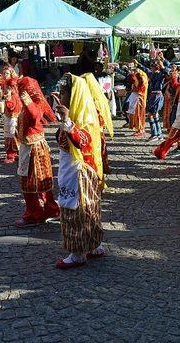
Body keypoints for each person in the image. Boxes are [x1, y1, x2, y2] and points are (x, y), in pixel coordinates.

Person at [53, 74, 105, 269]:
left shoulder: (85, 117)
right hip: (71, 169)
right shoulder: (75, 114)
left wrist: (67, 122)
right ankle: (94, 245)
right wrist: (63, 118)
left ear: (75, 95)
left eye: (65, 92)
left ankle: (78, 253)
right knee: (86, 208)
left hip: (79, 172)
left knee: (77, 210)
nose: (62, 95)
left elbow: (83, 141)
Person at [15, 77, 60, 228]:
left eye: (22, 89)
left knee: (33, 182)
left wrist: (26, 100)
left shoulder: (36, 102)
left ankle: (36, 214)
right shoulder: (26, 103)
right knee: (35, 181)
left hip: (34, 147)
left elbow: (35, 117)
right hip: (28, 146)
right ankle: (47, 210)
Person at [82, 72, 114, 176]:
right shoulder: (98, 97)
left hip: (94, 132)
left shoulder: (95, 99)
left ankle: (97, 177)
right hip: (97, 131)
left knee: (96, 155)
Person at [135, 58, 169, 141]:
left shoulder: (161, 74)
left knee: (151, 114)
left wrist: (163, 65)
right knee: (154, 114)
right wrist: (138, 64)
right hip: (153, 95)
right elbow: (145, 69)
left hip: (157, 95)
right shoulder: (152, 74)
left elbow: (167, 72)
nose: (151, 68)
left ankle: (155, 134)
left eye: (152, 66)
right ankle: (159, 134)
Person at [1, 67, 21, 164]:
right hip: (10, 110)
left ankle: (12, 154)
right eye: (4, 73)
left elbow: (13, 96)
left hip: (13, 109)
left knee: (12, 132)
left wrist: (8, 99)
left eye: (7, 73)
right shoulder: (8, 83)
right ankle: (15, 153)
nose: (5, 75)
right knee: (10, 132)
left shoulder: (12, 83)